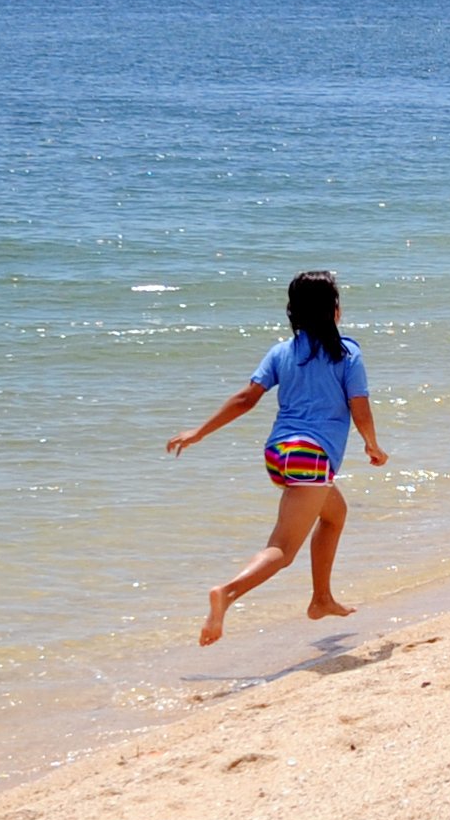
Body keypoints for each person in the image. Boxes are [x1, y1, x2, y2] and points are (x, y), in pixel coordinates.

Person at [163, 270, 386, 646]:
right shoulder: (347, 353)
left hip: (279, 452)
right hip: (311, 458)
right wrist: (373, 445)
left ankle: (321, 599)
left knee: (334, 514)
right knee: (282, 550)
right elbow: (359, 407)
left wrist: (199, 431)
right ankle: (227, 593)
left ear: (293, 312)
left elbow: (246, 399)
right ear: (335, 310)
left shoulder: (282, 352)